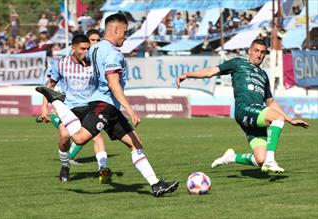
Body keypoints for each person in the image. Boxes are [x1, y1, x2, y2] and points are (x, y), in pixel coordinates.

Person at [36, 13, 179, 197]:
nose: (125, 36)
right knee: (79, 139)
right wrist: (130, 109)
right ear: (116, 29)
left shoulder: (95, 49)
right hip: (105, 105)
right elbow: (113, 83)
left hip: (108, 106)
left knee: (136, 143)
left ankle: (156, 184)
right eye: (125, 32)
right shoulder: (112, 53)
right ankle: (55, 99)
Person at [177, 39, 310, 173]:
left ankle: (231, 157)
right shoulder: (238, 63)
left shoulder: (263, 75)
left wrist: (290, 120)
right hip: (244, 108)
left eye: (263, 52)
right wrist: (188, 75)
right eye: (256, 51)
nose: (259, 55)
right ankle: (271, 161)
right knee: (277, 118)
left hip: (256, 114)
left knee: (260, 160)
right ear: (250, 51)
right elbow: (211, 71)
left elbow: (270, 102)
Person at [40, 34, 111, 183]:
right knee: (65, 137)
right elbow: (50, 86)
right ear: (73, 48)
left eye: (88, 49)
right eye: (82, 49)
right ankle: (65, 166)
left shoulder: (94, 63)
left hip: (89, 106)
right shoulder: (61, 64)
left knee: (96, 136)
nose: (86, 52)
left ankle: (103, 168)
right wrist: (44, 108)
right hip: (68, 108)